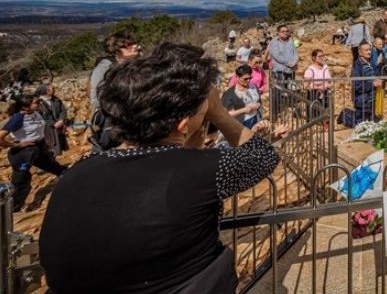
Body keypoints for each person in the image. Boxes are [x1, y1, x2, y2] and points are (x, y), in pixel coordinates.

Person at [39, 43, 286, 293]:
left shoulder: (77, 172)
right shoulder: (200, 170)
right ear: (183, 123)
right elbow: (263, 156)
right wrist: (220, 115)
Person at [0, 94, 68, 212]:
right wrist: (16, 145)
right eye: (36, 102)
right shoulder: (18, 118)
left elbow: (40, 127)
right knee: (21, 181)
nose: (40, 104)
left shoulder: (35, 113)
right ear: (26, 107)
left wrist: (44, 140)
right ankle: (12, 210)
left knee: (53, 165)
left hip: (39, 148)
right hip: (24, 152)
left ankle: (68, 179)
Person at [89, 32, 141, 151]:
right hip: (114, 118)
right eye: (128, 45)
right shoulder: (105, 67)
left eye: (133, 43)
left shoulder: (137, 64)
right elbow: (95, 98)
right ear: (117, 51)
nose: (135, 46)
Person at [349, 43, 382, 126]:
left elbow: (377, 76)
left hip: (373, 100)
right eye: (366, 50)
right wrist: (372, 84)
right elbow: (357, 86)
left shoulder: (372, 64)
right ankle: (344, 116)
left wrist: (380, 80)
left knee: (374, 123)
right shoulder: (357, 67)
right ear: (360, 53)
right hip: (363, 100)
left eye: (370, 49)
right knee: (361, 124)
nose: (369, 52)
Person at [222, 64, 263, 129]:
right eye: (245, 79)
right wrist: (244, 110)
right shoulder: (230, 94)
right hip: (241, 124)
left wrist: (258, 104)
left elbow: (259, 100)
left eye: (250, 78)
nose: (248, 80)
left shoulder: (254, 87)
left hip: (256, 119)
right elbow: (228, 114)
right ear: (237, 77)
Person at [38, 84, 69, 157]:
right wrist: (52, 124)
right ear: (46, 91)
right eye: (51, 89)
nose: (54, 90)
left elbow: (63, 110)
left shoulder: (56, 99)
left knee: (58, 144)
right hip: (47, 129)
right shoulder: (38, 103)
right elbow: (39, 117)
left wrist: (62, 120)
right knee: (50, 146)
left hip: (58, 126)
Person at [303, 49, 332, 117]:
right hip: (314, 95)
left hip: (325, 94)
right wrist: (318, 88)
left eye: (323, 56)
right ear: (313, 58)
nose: (322, 58)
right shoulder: (310, 70)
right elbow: (305, 86)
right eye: (319, 56)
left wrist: (327, 86)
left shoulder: (325, 68)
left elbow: (331, 82)